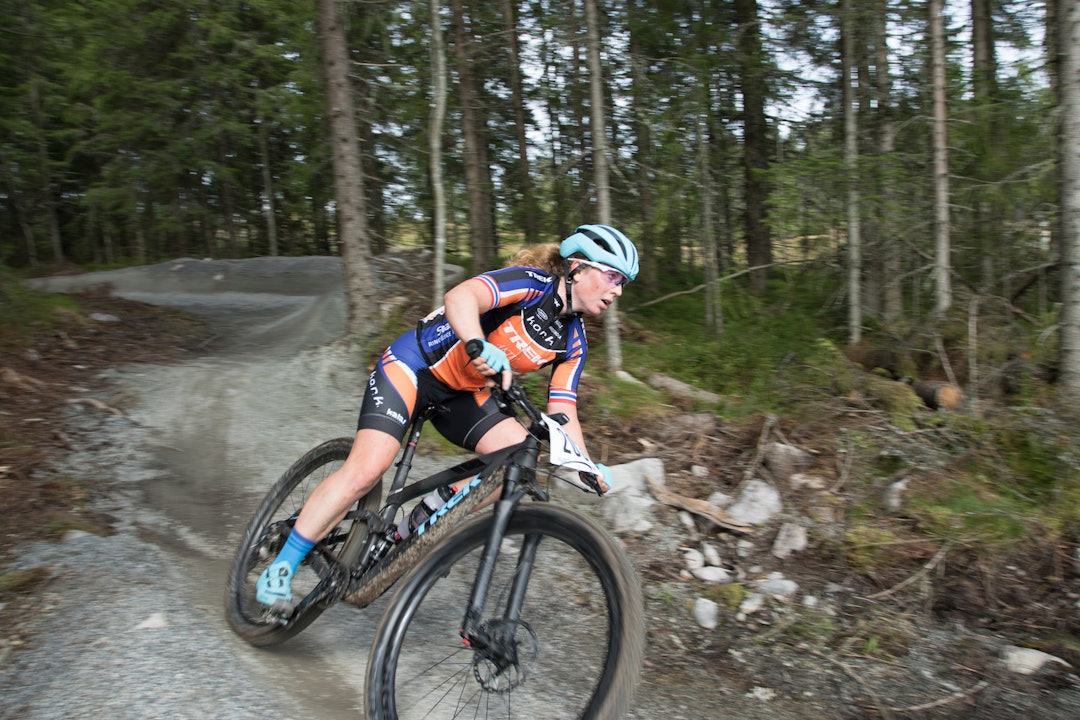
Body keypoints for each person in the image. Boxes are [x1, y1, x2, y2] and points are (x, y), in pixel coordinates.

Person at [256, 224, 639, 606]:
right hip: (415, 367)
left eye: (622, 283)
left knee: (518, 456)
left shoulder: (574, 341)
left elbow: (563, 409)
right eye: (612, 276)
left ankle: (414, 529)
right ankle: (285, 562)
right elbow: (461, 296)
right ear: (576, 268)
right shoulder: (531, 283)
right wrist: (476, 342)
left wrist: (583, 463)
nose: (617, 290)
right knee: (368, 470)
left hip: (463, 394)